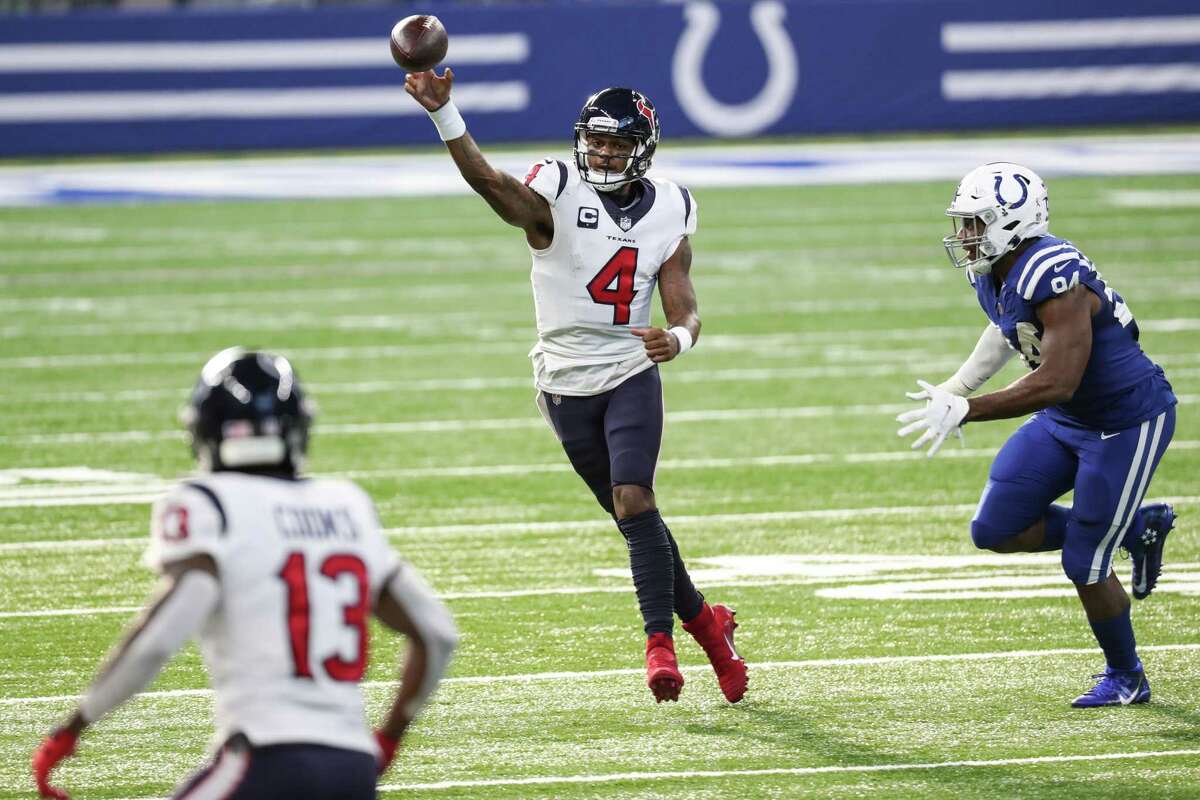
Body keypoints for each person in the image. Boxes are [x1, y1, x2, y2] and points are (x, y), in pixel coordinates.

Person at [404, 70, 746, 704]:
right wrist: (445, 114)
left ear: (643, 148)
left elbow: (684, 302)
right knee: (633, 519)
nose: (605, 154)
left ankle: (659, 647)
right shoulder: (556, 187)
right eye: (597, 142)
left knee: (634, 499)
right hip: (563, 379)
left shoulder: (670, 205)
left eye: (618, 145)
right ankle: (709, 627)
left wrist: (681, 338)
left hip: (629, 370)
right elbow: (490, 184)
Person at [32, 348, 458, 798]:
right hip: (351, 768)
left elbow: (160, 636)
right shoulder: (346, 504)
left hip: (264, 759)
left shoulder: (209, 503)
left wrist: (75, 726)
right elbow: (437, 633)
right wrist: (388, 738)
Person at [896, 163, 1178, 707]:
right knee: (996, 527)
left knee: (1084, 562)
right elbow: (1008, 328)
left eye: (976, 223)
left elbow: (1058, 380)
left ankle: (1128, 676)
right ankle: (1135, 528)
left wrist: (967, 409)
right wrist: (957, 385)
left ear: (1011, 223)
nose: (965, 235)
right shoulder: (997, 269)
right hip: (1068, 420)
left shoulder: (1055, 273)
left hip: (1124, 420)